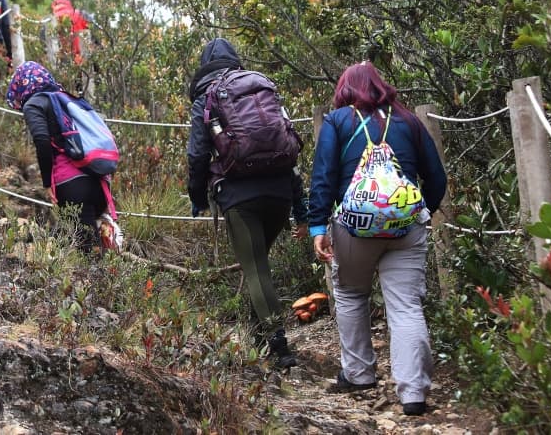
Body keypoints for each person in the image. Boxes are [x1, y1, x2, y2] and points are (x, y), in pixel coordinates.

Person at [307, 61, 447, 417]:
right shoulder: (410, 121)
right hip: (406, 229)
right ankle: (414, 392)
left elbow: (323, 176)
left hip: (353, 229)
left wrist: (318, 228)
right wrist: (418, 212)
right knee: (406, 306)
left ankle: (358, 374)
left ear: (345, 91)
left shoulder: (337, 122)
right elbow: (437, 177)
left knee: (352, 294)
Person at [186, 38, 308, 369]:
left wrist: (196, 196)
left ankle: (279, 345)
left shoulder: (206, 97)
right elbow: (291, 145)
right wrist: (301, 208)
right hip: (280, 192)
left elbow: (198, 154)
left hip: (240, 196)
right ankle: (258, 338)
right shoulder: (261, 90)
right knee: (260, 265)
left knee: (256, 268)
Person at [6, 61, 118, 253]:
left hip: (72, 186)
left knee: (88, 253)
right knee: (90, 242)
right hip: (100, 182)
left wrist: (47, 182)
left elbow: (41, 140)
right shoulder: (66, 99)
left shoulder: (34, 103)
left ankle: (105, 278)